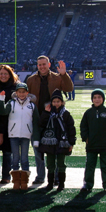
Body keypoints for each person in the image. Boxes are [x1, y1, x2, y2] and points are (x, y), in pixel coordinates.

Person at [26, 55, 73, 184]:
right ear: (37, 66)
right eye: (39, 64)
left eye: (44, 64)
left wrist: (64, 75)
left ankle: (56, 175)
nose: (42, 67)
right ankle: (41, 176)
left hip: (55, 118)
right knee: (38, 149)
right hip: (38, 119)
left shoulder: (57, 78)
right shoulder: (31, 79)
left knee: (56, 147)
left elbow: (69, 88)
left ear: (49, 65)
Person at [0, 83, 40, 190]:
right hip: (13, 134)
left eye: (23, 92)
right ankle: (16, 181)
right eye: (19, 92)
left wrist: (36, 138)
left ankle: (24, 181)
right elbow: (2, 111)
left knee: (24, 158)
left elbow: (36, 122)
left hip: (26, 135)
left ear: (27, 93)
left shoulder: (32, 106)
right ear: (16, 93)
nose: (21, 94)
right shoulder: (11, 103)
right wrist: (1, 99)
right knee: (15, 158)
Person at [80, 89, 106, 193]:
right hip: (92, 145)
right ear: (92, 99)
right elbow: (83, 126)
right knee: (90, 165)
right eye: (95, 98)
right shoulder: (88, 113)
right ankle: (88, 184)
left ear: (103, 99)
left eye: (99, 97)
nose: (97, 99)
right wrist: (86, 138)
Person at [39, 89, 76, 191]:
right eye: (54, 102)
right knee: (50, 164)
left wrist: (71, 142)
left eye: (58, 101)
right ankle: (50, 183)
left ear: (62, 102)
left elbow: (71, 128)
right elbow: (41, 124)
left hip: (62, 143)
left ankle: (61, 184)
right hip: (49, 143)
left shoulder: (66, 114)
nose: (56, 104)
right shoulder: (47, 113)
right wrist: (46, 113)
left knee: (61, 164)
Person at [0, 65, 19, 184]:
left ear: (10, 75)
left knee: (8, 152)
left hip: (11, 122)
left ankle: (6, 176)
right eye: (1, 73)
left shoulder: (15, 87)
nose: (3, 76)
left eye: (5, 73)